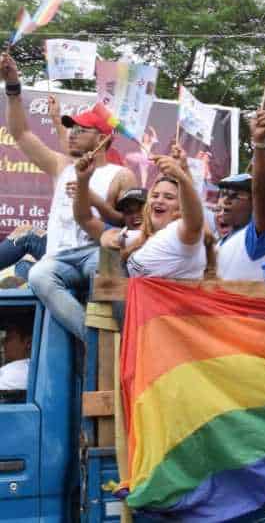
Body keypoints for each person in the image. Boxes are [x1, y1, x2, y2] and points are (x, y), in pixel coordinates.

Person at [1, 53, 136, 343]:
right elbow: (21, 132)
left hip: (95, 253)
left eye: (81, 129)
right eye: (70, 127)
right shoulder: (61, 165)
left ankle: (129, 342)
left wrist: (97, 202)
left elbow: (131, 223)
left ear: (103, 139)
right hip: (57, 257)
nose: (71, 133)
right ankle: (90, 340)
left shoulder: (121, 175)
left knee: (109, 273)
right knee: (38, 277)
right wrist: (13, 87)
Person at [99, 149, 210, 279]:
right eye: (155, 195)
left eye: (169, 197)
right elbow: (106, 237)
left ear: (181, 208)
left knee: (95, 260)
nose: (159, 200)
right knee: (104, 256)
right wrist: (114, 238)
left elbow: (193, 218)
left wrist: (182, 176)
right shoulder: (152, 236)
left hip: (166, 298)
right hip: (131, 296)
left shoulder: (182, 235)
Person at [216, 109, 265, 280]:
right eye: (224, 194)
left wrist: (260, 143)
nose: (226, 201)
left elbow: (263, 190)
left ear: (254, 204)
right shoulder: (222, 241)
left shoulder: (257, 237)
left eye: (235, 196)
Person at [0, 316, 34, 391]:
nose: (3, 343)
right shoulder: (34, 368)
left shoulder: (14, 371)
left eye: (8, 338)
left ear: (28, 342)